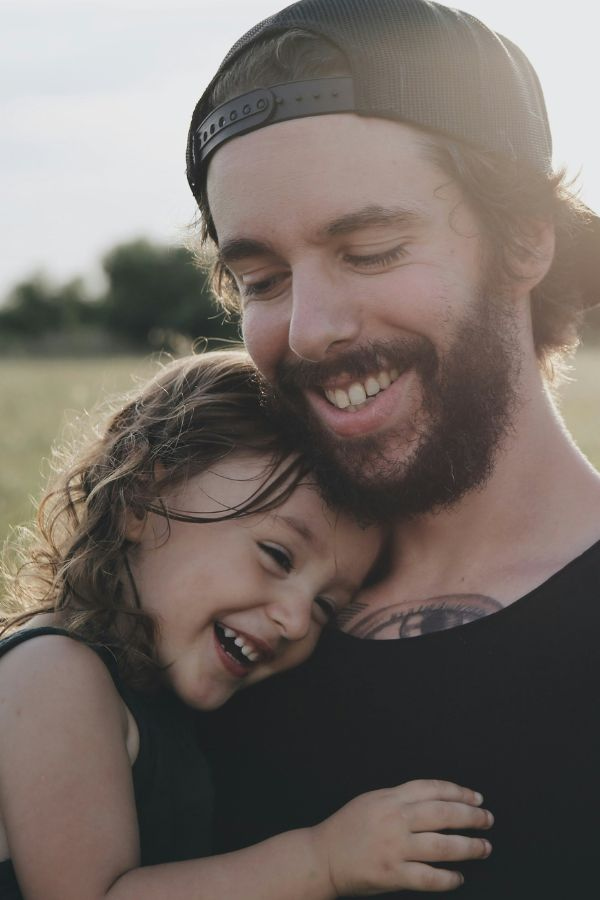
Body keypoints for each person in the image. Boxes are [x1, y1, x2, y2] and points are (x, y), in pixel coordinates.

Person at [184, 1, 600, 897]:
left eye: (369, 250)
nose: (309, 330)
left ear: (526, 239)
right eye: (261, 280)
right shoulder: (204, 608)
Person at [0, 349, 494, 900]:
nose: (294, 619)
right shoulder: (53, 672)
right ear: (140, 497)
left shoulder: (155, 700)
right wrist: (322, 861)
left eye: (326, 607)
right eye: (278, 557)